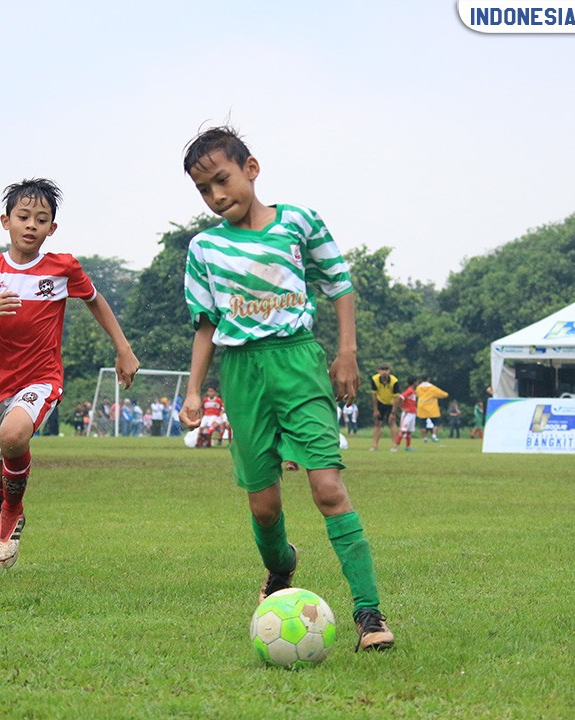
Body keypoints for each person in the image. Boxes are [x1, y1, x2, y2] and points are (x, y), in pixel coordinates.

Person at [177, 126, 394, 651]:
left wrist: (347, 353)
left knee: (327, 487)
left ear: (251, 169)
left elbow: (339, 282)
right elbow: (206, 324)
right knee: (265, 509)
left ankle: (369, 613)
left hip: (297, 362)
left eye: (222, 180)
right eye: (204, 190)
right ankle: (282, 568)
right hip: (243, 373)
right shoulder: (204, 248)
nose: (217, 196)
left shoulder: (298, 220)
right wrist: (193, 391)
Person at [0, 178, 139, 567]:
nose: (31, 225)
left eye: (41, 219)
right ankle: (6, 512)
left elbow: (95, 301)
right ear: (6, 221)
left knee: (14, 435)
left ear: (52, 228)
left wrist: (124, 348)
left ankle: (10, 515)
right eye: (23, 217)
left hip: (41, 377)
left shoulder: (62, 267)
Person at [369, 364, 399, 451]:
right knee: (378, 423)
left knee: (392, 422)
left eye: (386, 370)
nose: (384, 372)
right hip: (380, 402)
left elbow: (396, 397)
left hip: (391, 403)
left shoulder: (394, 381)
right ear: (379, 371)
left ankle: (394, 445)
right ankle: (374, 445)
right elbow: (373, 395)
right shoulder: (375, 379)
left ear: (389, 371)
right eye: (382, 370)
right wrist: (375, 409)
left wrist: (393, 413)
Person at [416, 375, 448, 442]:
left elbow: (416, 394)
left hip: (421, 408)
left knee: (423, 424)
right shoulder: (432, 388)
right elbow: (444, 394)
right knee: (436, 423)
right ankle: (434, 436)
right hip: (432, 409)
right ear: (428, 379)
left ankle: (425, 437)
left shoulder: (418, 388)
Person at [392, 377, 419, 452]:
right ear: (414, 382)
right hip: (407, 414)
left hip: (412, 413)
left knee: (409, 431)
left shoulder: (413, 391)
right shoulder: (409, 390)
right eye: (417, 382)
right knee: (403, 430)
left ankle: (408, 446)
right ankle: (395, 446)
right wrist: (402, 408)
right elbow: (400, 397)